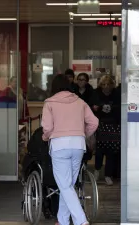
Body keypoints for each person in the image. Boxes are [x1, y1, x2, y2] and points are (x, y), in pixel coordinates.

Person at [42, 74, 99, 225]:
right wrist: (82, 134)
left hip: (59, 146)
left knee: (65, 185)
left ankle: (81, 221)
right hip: (78, 145)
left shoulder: (49, 103)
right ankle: (62, 220)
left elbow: (47, 127)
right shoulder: (80, 102)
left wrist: (46, 137)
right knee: (68, 186)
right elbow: (94, 122)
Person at [91, 75, 121, 186]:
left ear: (112, 85)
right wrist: (98, 107)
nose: (106, 87)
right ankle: (97, 171)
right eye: (104, 84)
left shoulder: (116, 93)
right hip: (100, 124)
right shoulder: (96, 93)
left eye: (108, 84)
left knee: (111, 151)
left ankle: (108, 175)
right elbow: (92, 106)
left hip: (113, 125)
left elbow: (119, 107)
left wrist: (112, 108)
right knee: (99, 150)